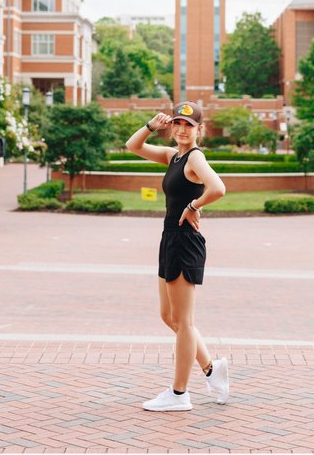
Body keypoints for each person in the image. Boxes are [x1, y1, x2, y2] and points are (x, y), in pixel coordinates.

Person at [125, 101, 229, 411]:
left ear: (200, 130)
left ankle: (179, 394)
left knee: (183, 321)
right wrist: (150, 126)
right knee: (168, 316)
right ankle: (212, 369)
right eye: (178, 124)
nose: (182, 129)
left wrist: (194, 206)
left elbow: (218, 188)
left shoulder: (195, 158)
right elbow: (133, 146)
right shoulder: (175, 156)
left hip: (185, 241)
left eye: (189, 125)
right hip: (170, 237)